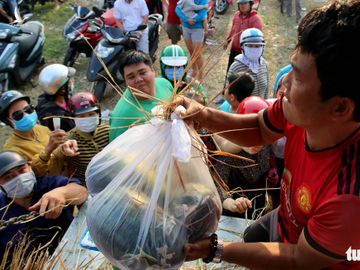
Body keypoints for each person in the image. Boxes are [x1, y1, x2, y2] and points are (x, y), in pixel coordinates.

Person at [179, 1, 360, 268]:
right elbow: (259, 129)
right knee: (253, 235)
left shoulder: (349, 198)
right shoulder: (301, 111)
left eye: (296, 77)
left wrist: (217, 250)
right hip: (289, 218)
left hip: (315, 258)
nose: (283, 83)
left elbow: (299, 259)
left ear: (340, 107)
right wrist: (204, 116)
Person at [0, 151, 88, 264]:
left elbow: (81, 192)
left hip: (70, 258)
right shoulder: (2, 208)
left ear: (30, 167)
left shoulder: (50, 185)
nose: (19, 178)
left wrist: (63, 193)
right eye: (8, 177)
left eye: (22, 170)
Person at [0, 90, 78, 177]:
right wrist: (47, 150)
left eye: (28, 109)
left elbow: (57, 152)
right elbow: (32, 174)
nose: (26, 115)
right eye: (17, 115)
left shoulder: (41, 129)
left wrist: (64, 146)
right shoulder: (12, 150)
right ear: (8, 121)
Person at [109, 50, 173, 141]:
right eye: (131, 77)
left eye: (142, 73)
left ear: (153, 71)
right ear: (125, 82)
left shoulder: (165, 85)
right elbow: (115, 152)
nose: (138, 79)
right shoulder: (122, 118)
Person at [65, 92, 110, 185]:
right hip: (88, 185)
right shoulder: (70, 139)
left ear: (98, 113)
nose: (87, 119)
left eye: (91, 114)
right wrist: (63, 149)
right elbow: (62, 148)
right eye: (81, 116)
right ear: (73, 118)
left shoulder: (107, 130)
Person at [228, 28, 268, 99]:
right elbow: (229, 93)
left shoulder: (264, 64)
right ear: (242, 47)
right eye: (250, 46)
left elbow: (266, 90)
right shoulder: (236, 66)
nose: (254, 49)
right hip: (243, 108)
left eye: (258, 46)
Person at [223, 0, 263, 71]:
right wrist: (228, 40)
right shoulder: (236, 15)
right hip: (234, 51)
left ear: (250, 4)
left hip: (247, 54)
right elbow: (233, 29)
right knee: (231, 73)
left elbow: (258, 40)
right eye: (240, 3)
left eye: (245, 3)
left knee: (242, 77)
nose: (242, 5)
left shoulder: (255, 19)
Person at [36, 64, 76, 132]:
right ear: (63, 89)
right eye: (69, 82)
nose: (72, 82)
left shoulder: (62, 96)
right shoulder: (58, 117)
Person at [175, 0, 208, 81]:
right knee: (191, 51)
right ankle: (194, 71)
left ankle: (201, 77)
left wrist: (193, 20)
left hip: (197, 29)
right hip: (186, 27)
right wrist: (186, 20)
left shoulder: (204, 1)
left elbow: (202, 14)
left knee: (197, 54)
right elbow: (177, 9)